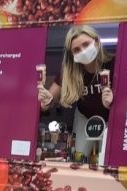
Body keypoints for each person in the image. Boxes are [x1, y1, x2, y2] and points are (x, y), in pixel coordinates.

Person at [38, 25, 114, 158]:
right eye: (77, 50)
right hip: (84, 116)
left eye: (86, 44)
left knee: (106, 157)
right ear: (72, 55)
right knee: (79, 155)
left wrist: (113, 103)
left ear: (96, 42)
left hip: (111, 117)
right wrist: (46, 102)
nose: (83, 51)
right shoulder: (70, 73)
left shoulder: (113, 64)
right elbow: (50, 99)